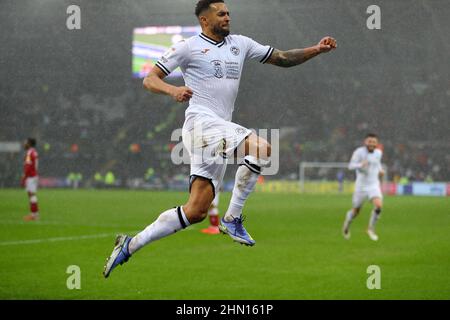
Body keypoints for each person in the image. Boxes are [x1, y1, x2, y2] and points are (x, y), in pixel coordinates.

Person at [103, 0, 336, 278]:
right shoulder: (187, 47)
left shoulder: (241, 43)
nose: (227, 17)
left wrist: (316, 50)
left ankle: (130, 245)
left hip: (217, 129)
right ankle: (233, 218)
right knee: (262, 149)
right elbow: (149, 79)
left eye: (228, 13)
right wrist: (172, 90)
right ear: (204, 20)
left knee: (196, 210)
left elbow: (283, 58)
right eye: (221, 14)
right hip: (201, 124)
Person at [342, 133, 384, 241]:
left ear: (376, 143)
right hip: (361, 186)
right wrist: (360, 165)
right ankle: (347, 223)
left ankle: (370, 228)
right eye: (370, 141)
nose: (372, 144)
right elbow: (350, 166)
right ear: (365, 142)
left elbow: (377, 163)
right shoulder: (358, 152)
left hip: (374, 184)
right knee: (356, 211)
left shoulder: (379, 153)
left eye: (374, 142)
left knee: (378, 205)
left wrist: (380, 170)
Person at [22, 138, 40, 221]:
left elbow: (28, 166)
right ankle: (34, 214)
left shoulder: (29, 153)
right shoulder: (34, 152)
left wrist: (24, 177)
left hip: (31, 176)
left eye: (25, 142)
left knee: (32, 195)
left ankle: (34, 215)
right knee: (31, 195)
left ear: (29, 144)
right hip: (34, 175)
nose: (24, 144)